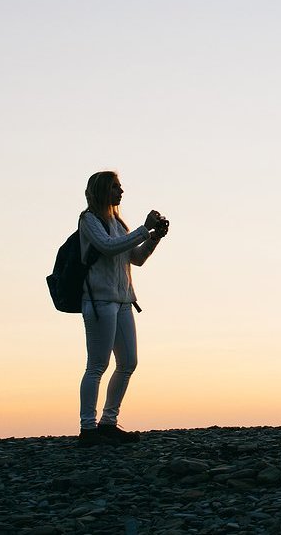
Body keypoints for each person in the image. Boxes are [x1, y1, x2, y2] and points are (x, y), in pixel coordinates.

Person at [76, 170, 168, 446]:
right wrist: (144, 229)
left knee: (128, 362)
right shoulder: (89, 220)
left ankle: (108, 422)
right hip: (99, 301)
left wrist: (154, 238)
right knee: (97, 365)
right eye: (116, 187)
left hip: (124, 301)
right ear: (103, 190)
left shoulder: (118, 223)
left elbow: (135, 259)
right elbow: (107, 248)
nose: (121, 192)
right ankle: (88, 428)